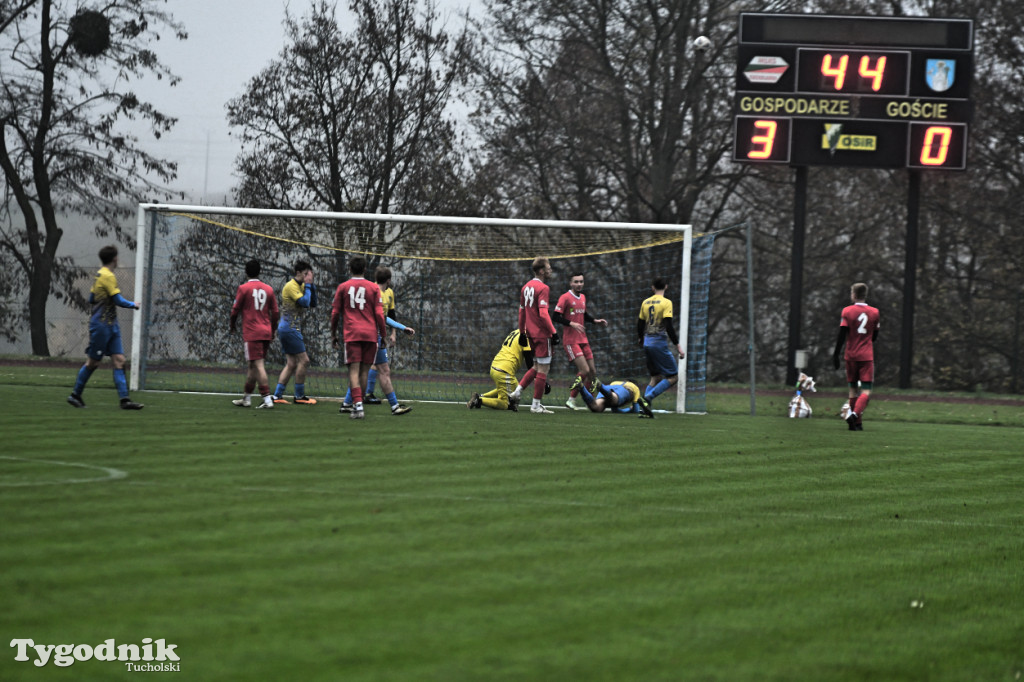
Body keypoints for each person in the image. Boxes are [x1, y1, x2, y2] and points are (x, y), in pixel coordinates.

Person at [67, 245, 145, 410]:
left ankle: (124, 400)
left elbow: (90, 298)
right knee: (93, 362)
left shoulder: (99, 275)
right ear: (114, 258)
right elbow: (118, 300)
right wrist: (134, 305)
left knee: (119, 360)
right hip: (101, 326)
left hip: (111, 325)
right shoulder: (107, 276)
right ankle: (75, 395)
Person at [341, 266, 413, 416]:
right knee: (374, 371)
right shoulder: (373, 291)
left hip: (374, 337)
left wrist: (397, 329)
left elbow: (386, 316)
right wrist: (400, 328)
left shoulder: (378, 291)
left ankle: (348, 403)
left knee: (374, 371)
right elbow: (381, 317)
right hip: (372, 338)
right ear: (388, 280)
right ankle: (393, 406)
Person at [331, 256, 387, 420]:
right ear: (364, 269)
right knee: (364, 371)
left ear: (350, 269)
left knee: (353, 371)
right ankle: (358, 406)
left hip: (352, 334)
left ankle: (358, 406)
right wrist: (382, 335)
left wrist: (333, 334)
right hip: (370, 335)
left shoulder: (343, 287)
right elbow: (379, 314)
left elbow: (335, 313)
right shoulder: (374, 288)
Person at [509, 257, 559, 414]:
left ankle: (516, 392)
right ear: (542, 271)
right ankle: (535, 405)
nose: (551, 270)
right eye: (548, 268)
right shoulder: (543, 288)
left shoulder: (525, 287)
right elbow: (543, 314)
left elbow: (521, 311)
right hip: (542, 334)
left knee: (536, 366)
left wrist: (522, 332)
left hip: (530, 333)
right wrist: (553, 332)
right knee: (544, 368)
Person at [552, 271, 607, 410]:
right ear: (571, 283)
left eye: (581, 281)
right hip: (571, 341)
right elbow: (555, 316)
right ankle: (571, 399)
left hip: (583, 339)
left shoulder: (583, 297)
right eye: (576, 282)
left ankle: (589, 400)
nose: (579, 284)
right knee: (584, 370)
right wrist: (571, 324)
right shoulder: (565, 298)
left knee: (592, 371)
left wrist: (595, 321)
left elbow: (583, 314)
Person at [230, 259, 280, 409]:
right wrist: (272, 329)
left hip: (252, 332)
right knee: (252, 365)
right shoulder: (268, 289)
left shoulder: (243, 288)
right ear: (259, 272)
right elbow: (276, 312)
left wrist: (232, 325)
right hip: (265, 331)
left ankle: (267, 400)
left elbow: (234, 311)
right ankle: (246, 398)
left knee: (258, 365)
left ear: (246, 272)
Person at [833, 282, 880, 431]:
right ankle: (855, 416)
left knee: (853, 390)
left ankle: (856, 423)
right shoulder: (875, 312)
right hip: (866, 356)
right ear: (865, 295)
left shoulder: (847, 311)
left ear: (853, 295)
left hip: (851, 355)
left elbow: (842, 334)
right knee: (866, 391)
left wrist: (836, 354)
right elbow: (875, 336)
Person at [272, 260, 318, 405]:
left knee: (291, 363)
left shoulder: (303, 286)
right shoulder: (290, 286)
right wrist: (308, 286)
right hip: (289, 328)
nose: (306, 277)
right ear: (298, 273)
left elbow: (313, 303)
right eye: (305, 274)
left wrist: (312, 286)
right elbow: (304, 302)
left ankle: (277, 395)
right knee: (304, 360)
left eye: (308, 275)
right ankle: (299, 396)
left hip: (289, 328)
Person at [638, 277, 685, 406]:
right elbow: (668, 326)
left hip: (647, 343)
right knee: (673, 377)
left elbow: (640, 324)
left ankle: (643, 408)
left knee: (656, 377)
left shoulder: (645, 302)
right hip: (658, 343)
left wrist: (641, 339)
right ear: (666, 287)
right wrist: (678, 346)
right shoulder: (666, 303)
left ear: (653, 287)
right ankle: (647, 398)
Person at [468, 329, 535, 411]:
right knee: (505, 403)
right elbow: (529, 362)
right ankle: (479, 401)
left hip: (495, 365)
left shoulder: (515, 332)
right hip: (504, 370)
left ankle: (481, 396)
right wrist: (539, 378)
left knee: (516, 388)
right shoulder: (526, 336)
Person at [570, 376, 654, 418]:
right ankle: (599, 385)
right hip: (623, 390)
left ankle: (581, 387)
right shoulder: (634, 387)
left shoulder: (615, 382)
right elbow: (635, 410)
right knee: (614, 399)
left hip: (608, 388)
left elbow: (615, 409)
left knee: (595, 407)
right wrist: (630, 410)